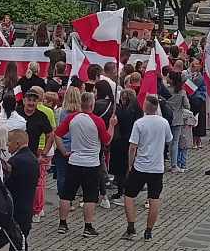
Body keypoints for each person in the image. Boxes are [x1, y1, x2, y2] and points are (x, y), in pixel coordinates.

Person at [53, 89, 110, 235]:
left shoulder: (72, 118)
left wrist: (64, 151)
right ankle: (88, 227)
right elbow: (107, 140)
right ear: (92, 104)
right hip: (91, 164)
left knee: (66, 195)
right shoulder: (98, 121)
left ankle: (62, 224)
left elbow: (57, 134)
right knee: (90, 197)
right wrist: (112, 126)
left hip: (74, 161)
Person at [0, 125, 38, 251]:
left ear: (19, 142)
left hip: (14, 213)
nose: (7, 146)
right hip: (26, 212)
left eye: (10, 142)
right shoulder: (32, 160)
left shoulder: (16, 162)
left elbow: (5, 185)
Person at [124, 94, 171, 240]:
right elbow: (169, 139)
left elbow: (133, 147)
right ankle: (149, 231)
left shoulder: (139, 123)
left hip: (140, 166)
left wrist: (130, 164)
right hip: (157, 167)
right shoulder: (163, 123)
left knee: (129, 196)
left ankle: (131, 227)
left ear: (145, 106)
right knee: (154, 198)